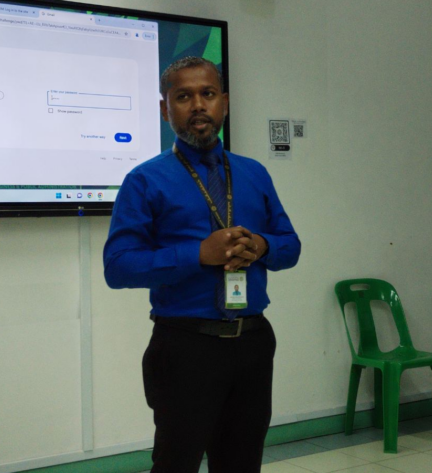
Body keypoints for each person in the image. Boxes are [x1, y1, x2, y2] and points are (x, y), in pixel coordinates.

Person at [103, 56, 301, 473]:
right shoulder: (144, 180)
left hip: (252, 342)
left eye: (208, 94)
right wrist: (198, 255)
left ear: (224, 102)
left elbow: (291, 246)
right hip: (185, 347)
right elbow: (118, 266)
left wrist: (262, 246)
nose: (198, 105)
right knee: (176, 464)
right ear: (165, 110)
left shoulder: (254, 174)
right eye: (183, 97)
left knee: (242, 463)